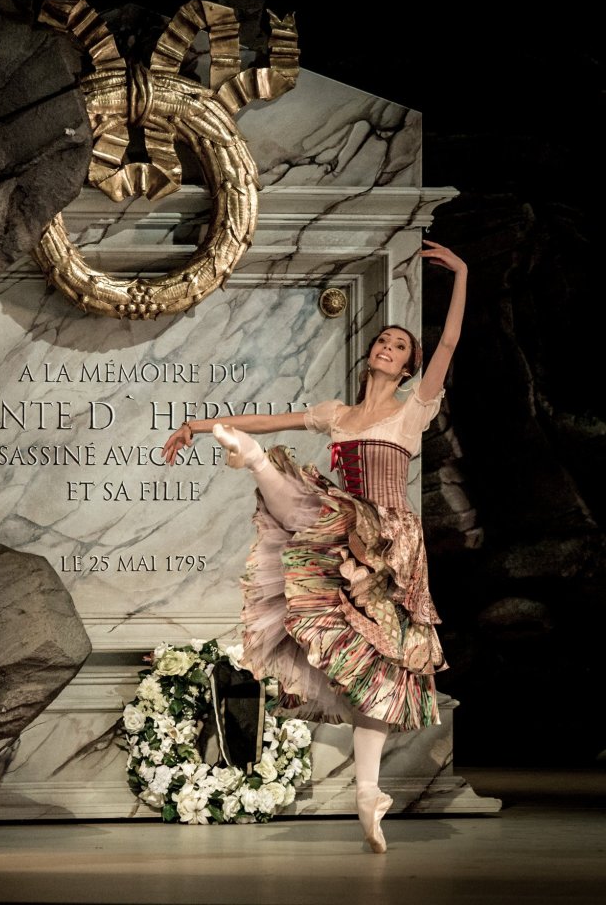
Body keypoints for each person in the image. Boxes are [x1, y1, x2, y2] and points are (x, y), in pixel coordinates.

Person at [161, 240, 467, 852]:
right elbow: (272, 420)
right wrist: (200, 425)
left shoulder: (412, 412)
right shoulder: (337, 413)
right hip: (341, 528)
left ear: (407, 369)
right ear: (371, 356)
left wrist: (460, 274)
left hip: (386, 545)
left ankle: (366, 795)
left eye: (399, 346)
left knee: (382, 669)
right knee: (307, 501)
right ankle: (253, 465)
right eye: (384, 341)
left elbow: (451, 344)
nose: (388, 347)